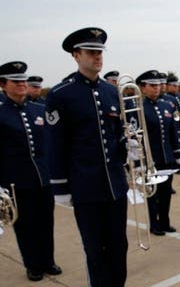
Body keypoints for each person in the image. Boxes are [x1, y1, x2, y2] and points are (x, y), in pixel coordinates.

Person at [45, 27, 129, 286]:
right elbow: (55, 143)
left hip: (115, 185)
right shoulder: (61, 94)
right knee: (95, 250)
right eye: (91, 52)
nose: (98, 57)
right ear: (76, 55)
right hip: (85, 188)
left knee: (119, 247)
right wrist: (60, 186)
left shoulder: (110, 91)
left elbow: (116, 136)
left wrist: (130, 146)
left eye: (100, 52)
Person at [0, 61, 62, 282]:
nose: (21, 85)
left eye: (23, 81)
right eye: (15, 82)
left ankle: (48, 260)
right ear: (3, 85)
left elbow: (51, 143)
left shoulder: (38, 109)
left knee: (46, 222)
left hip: (43, 179)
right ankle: (32, 264)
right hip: (16, 181)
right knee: (25, 225)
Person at [134, 70, 180, 236]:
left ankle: (165, 222)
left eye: (157, 85)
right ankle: (154, 224)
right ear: (142, 87)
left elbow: (172, 133)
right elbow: (135, 137)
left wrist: (177, 154)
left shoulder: (167, 105)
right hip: (150, 160)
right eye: (152, 85)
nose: (156, 88)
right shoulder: (138, 108)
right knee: (152, 194)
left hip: (166, 158)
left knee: (166, 193)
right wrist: (136, 163)